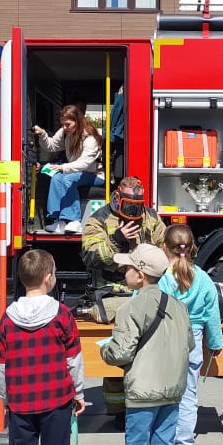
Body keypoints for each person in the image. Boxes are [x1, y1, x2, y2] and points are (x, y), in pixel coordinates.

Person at [0, 248, 87, 445]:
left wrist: (6, 397)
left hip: (20, 403)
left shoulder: (7, 319)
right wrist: (78, 393)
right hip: (56, 401)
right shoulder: (62, 315)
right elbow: (73, 359)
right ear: (49, 279)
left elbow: (1, 365)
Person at [100, 244, 193, 445]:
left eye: (128, 268)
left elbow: (121, 352)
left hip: (142, 391)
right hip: (172, 389)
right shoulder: (178, 306)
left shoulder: (131, 308)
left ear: (140, 276)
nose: (124, 271)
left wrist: (106, 353)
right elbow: (189, 344)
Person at [81, 176, 166, 422]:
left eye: (137, 206)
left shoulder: (150, 218)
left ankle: (146, 406)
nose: (133, 211)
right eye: (128, 205)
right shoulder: (99, 220)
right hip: (113, 292)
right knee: (120, 351)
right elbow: (90, 256)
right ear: (117, 198)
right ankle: (118, 411)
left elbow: (164, 249)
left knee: (147, 354)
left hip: (147, 291)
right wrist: (116, 240)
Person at [158, 224, 223, 445]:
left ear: (165, 247)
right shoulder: (204, 279)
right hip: (193, 339)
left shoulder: (162, 278)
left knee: (165, 395)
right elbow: (212, 315)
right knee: (188, 395)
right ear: (193, 248)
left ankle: (163, 444)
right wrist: (215, 343)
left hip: (165, 339)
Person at [32, 104, 104, 235]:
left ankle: (73, 220)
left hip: (95, 175)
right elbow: (51, 146)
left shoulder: (90, 138)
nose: (65, 128)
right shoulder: (65, 132)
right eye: (63, 124)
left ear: (78, 121)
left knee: (67, 179)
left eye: (68, 125)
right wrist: (43, 135)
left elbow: (84, 163)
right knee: (56, 177)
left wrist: (63, 167)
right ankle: (57, 220)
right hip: (75, 171)